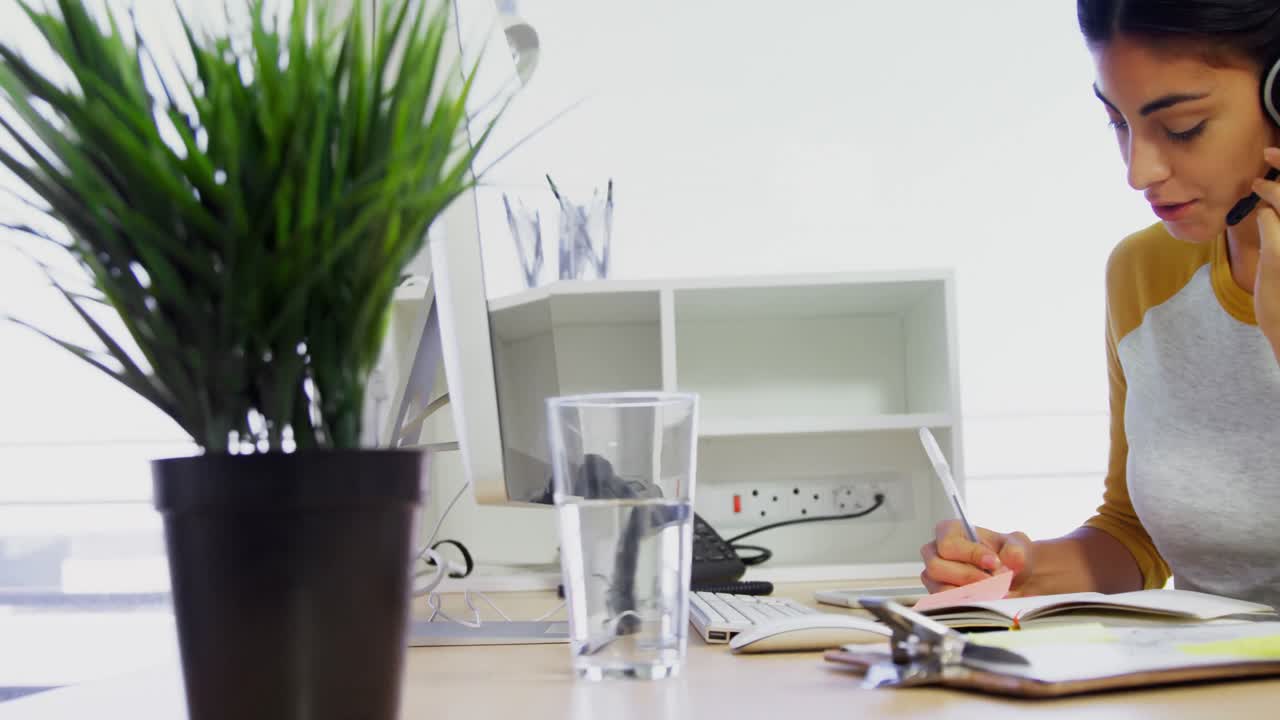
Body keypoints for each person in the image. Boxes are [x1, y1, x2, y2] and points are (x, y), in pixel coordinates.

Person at [920, 0, 1280, 608]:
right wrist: (1019, 570)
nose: (1139, 172)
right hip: (1205, 693)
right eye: (1118, 122)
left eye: (1183, 127)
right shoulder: (1148, 271)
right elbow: (1136, 534)